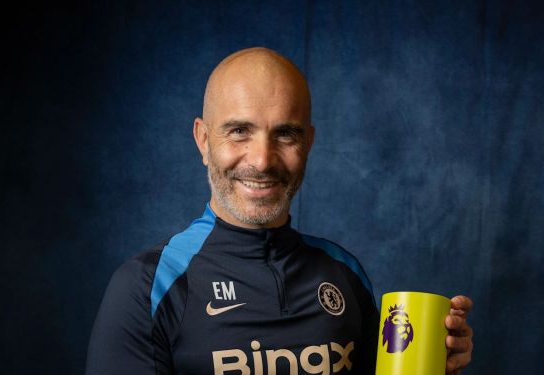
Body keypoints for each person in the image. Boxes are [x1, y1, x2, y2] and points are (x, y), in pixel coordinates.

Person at [86, 47, 473, 374]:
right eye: (239, 131)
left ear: (309, 142)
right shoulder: (147, 287)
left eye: (285, 134)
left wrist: (442, 365)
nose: (262, 159)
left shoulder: (345, 273)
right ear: (203, 140)